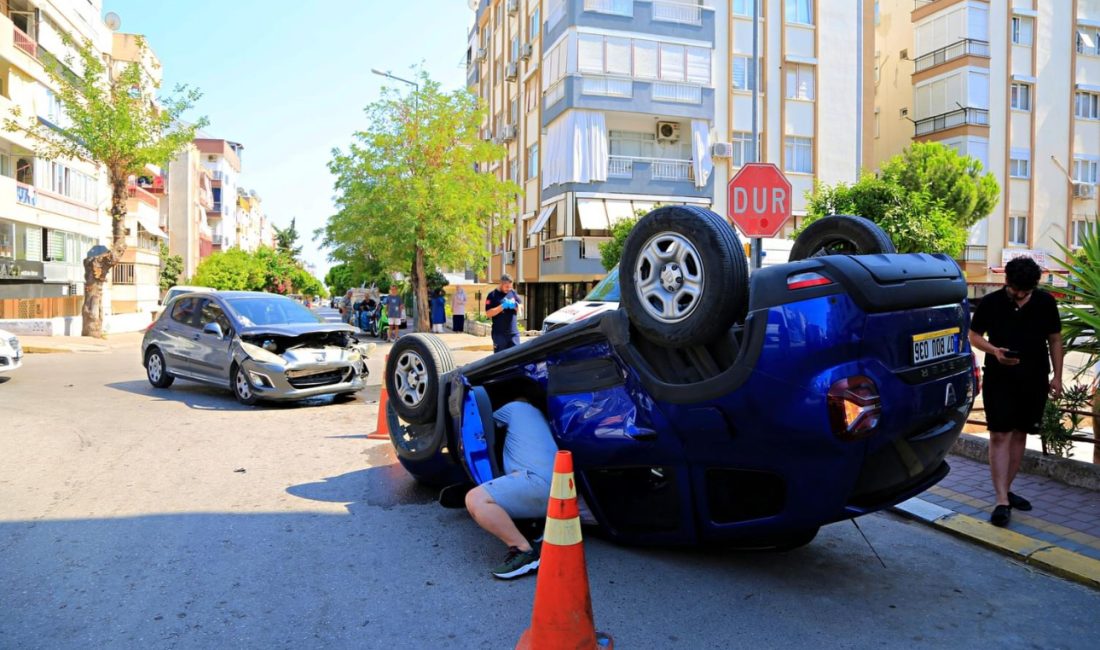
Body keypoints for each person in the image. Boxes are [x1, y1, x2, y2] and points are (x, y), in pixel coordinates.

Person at [968, 257, 1063, 527]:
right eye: (1015, 289)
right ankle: (1000, 500)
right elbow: (974, 336)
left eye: (1026, 290)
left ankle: (1006, 492)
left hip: (1034, 378)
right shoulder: (991, 302)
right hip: (999, 378)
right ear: (1006, 281)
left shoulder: (1045, 302)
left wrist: (1057, 376)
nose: (1020, 294)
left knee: (1020, 433)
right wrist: (995, 351)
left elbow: (1055, 339)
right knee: (999, 434)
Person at [464, 399, 558, 579]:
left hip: (535, 482)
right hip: (558, 488)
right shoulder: (541, 419)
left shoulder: (515, 407)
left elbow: (479, 423)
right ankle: (535, 525)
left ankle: (525, 552)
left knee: (476, 499)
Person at [485, 274, 522, 353]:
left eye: (510, 286)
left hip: (513, 334)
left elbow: (521, 307)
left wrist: (514, 305)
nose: (509, 289)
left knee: (517, 357)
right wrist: (502, 306)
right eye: (506, 287)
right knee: (500, 359)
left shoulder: (513, 293)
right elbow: (488, 313)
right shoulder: (492, 295)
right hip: (499, 335)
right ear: (501, 284)